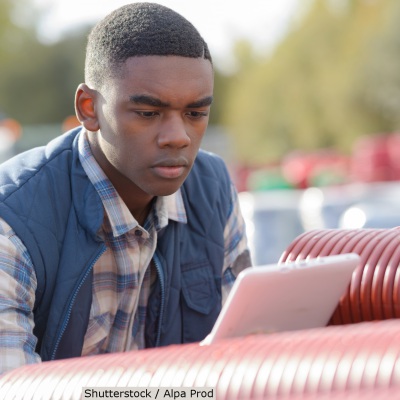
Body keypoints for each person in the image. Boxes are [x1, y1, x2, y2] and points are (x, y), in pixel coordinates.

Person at [0, 2, 251, 374]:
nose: (178, 137)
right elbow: (12, 388)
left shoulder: (212, 190)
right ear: (89, 108)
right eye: (149, 113)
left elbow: (246, 357)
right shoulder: (14, 221)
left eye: (195, 114)